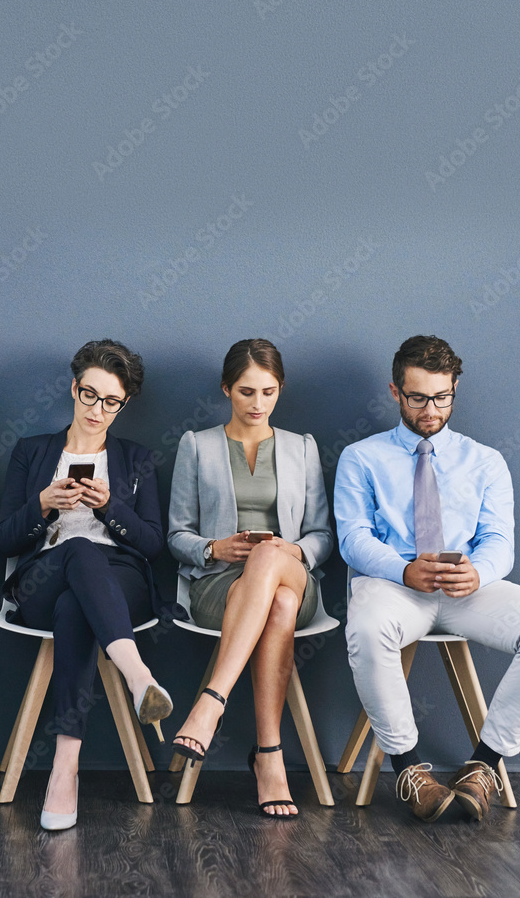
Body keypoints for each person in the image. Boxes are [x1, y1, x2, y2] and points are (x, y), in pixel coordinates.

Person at [335, 335, 520, 822]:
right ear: (395, 391)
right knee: (365, 628)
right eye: (418, 397)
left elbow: (500, 541)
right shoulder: (362, 457)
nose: (431, 409)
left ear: (454, 388)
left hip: (466, 589)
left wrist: (477, 572)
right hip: (394, 586)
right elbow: (353, 539)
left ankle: (484, 764)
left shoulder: (485, 461)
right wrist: (403, 569)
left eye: (442, 397)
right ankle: (407, 769)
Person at [0, 339, 172, 831]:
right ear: (74, 388)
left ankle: (63, 771)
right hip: (41, 579)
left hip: (119, 583)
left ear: (125, 404)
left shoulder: (135, 459)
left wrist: (109, 508)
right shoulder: (32, 452)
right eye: (89, 395)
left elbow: (153, 543)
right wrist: (45, 504)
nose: (98, 410)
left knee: (78, 604)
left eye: (111, 401)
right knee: (76, 550)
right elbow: (5, 540)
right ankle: (138, 675)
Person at [168, 339, 333, 818]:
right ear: (226, 390)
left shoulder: (302, 448)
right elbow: (176, 534)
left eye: (268, 392)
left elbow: (322, 535)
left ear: (279, 391)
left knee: (272, 566)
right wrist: (213, 547)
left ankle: (211, 701)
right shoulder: (196, 446)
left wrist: (290, 550)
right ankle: (269, 757)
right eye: (246, 392)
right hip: (219, 585)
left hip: (293, 574)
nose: (257, 404)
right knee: (277, 603)